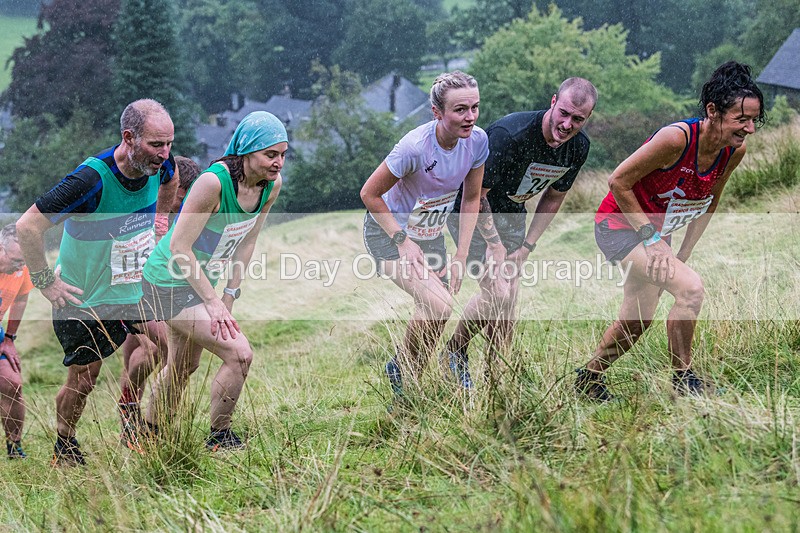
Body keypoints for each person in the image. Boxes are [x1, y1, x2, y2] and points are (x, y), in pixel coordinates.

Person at [576, 61, 765, 400]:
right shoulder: (676, 139)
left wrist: (683, 252)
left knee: (638, 319)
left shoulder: (733, 150)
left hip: (658, 234)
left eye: (753, 119)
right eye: (742, 119)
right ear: (712, 110)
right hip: (618, 225)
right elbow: (618, 181)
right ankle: (683, 379)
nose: (750, 128)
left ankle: (589, 377)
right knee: (690, 290)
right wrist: (652, 240)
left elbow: (710, 201)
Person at [16, 99, 177, 465]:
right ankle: (65, 443)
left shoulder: (160, 165)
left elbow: (171, 179)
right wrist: (44, 282)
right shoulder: (89, 180)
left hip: (133, 290)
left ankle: (133, 413)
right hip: (84, 298)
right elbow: (27, 227)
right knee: (84, 382)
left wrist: (161, 222)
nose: (165, 154)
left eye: (169, 143)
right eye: (156, 144)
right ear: (129, 138)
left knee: (172, 346)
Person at [141, 111, 285, 451]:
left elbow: (247, 241)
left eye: (282, 154)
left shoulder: (270, 187)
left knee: (182, 365)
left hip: (199, 284)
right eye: (270, 154)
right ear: (248, 151)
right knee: (239, 354)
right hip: (168, 281)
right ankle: (220, 437)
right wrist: (213, 302)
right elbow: (179, 246)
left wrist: (230, 294)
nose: (278, 163)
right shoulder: (214, 183)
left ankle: (147, 435)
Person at [445, 78, 597, 387]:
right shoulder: (509, 135)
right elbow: (478, 195)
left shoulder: (578, 148)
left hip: (513, 215)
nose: (567, 124)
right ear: (553, 102)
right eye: (564, 113)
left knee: (509, 296)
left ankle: (498, 374)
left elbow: (555, 196)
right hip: (470, 212)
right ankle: (455, 350)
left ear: (587, 118)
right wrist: (494, 244)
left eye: (577, 119)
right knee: (498, 292)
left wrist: (528, 244)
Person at [360, 71, 488, 401]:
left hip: (429, 235)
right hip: (388, 233)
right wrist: (402, 240)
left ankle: (408, 379)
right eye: (460, 109)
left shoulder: (478, 142)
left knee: (437, 311)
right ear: (437, 112)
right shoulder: (413, 147)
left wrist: (461, 255)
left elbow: (472, 198)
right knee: (437, 303)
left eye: (474, 107)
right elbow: (369, 194)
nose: (470, 117)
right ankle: (404, 372)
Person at [117, 156, 201, 443]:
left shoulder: (181, 213)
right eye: (183, 195)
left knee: (154, 351)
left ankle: (139, 415)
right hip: (126, 287)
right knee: (160, 349)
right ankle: (138, 416)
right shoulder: (150, 206)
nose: (184, 203)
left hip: (153, 288)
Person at [0, 225, 32, 458]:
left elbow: (21, 299)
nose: (20, 266)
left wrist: (9, 339)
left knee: (12, 384)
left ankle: (15, 447)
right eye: (16, 260)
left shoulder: (22, 268)